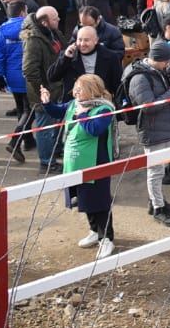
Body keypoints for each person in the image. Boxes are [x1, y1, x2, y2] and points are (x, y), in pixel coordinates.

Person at [39, 74, 118, 257]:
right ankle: (93, 231)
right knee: (84, 199)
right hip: (75, 162)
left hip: (96, 163)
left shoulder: (104, 109)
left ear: (91, 90)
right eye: (75, 87)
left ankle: (106, 238)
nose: (75, 92)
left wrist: (82, 115)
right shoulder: (74, 104)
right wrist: (47, 103)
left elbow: (94, 130)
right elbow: (59, 112)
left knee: (99, 201)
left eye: (79, 88)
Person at [123, 42, 170, 228]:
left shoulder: (152, 72)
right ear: (158, 59)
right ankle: (158, 208)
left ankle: (156, 201)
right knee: (155, 172)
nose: (167, 65)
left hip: (162, 127)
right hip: (152, 129)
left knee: (159, 169)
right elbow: (148, 107)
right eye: (166, 61)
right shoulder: (140, 78)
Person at [20, 6, 66, 170]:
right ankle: (47, 163)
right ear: (45, 22)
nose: (59, 20)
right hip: (44, 93)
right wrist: (43, 89)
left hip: (58, 88)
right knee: (45, 128)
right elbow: (29, 70)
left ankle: (56, 152)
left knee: (56, 125)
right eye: (55, 18)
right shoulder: (33, 40)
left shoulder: (53, 33)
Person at [0, 0, 30, 120]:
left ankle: (26, 139)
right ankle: (19, 137)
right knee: (29, 110)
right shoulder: (30, 28)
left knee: (20, 108)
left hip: (12, 75)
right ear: (23, 12)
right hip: (30, 74)